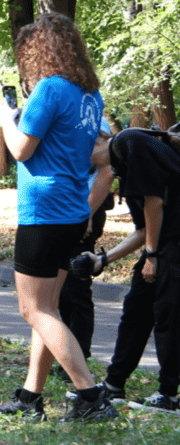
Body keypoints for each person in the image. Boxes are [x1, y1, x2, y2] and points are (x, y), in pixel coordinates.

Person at [0, 12, 117, 422]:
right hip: (73, 210)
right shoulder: (89, 95)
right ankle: (30, 397)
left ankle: (91, 395)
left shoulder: (49, 89)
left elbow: (22, 150)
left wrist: (7, 117)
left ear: (38, 51)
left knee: (34, 310)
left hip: (43, 210)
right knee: (49, 308)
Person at [81, 127, 180, 410]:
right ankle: (114, 385)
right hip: (162, 243)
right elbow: (142, 228)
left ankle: (169, 396)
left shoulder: (128, 142)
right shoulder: (122, 164)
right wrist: (104, 260)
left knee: (167, 317)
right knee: (136, 310)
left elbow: (155, 202)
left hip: (173, 243)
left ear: (98, 142)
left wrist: (153, 256)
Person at [53, 121, 115, 381]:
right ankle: (66, 355)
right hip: (66, 209)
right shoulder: (67, 111)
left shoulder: (93, 119)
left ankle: (79, 357)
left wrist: (87, 214)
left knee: (76, 287)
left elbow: (106, 171)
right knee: (62, 290)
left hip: (87, 207)